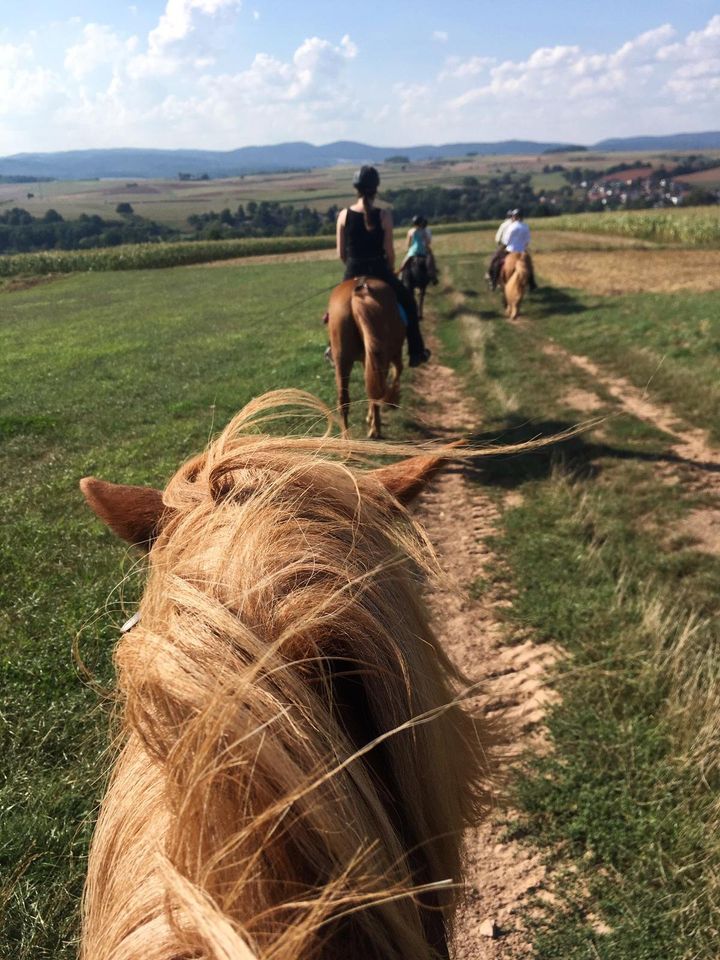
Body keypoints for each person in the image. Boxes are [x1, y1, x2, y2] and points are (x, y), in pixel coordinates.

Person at [335, 166, 430, 367]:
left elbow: (341, 254)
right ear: (376, 188)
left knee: (335, 309)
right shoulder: (384, 215)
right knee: (409, 303)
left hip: (352, 271)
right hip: (379, 271)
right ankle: (416, 351)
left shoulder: (343, 215)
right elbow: (390, 252)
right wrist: (390, 269)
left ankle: (332, 348)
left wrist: (353, 268)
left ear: (356, 189)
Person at [400, 215, 438, 284]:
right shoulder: (424, 231)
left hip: (413, 251)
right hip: (423, 250)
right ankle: (433, 276)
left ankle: (400, 276)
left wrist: (409, 249)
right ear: (421, 222)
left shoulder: (410, 231)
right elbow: (427, 242)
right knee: (431, 262)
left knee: (403, 264)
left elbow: (408, 244)